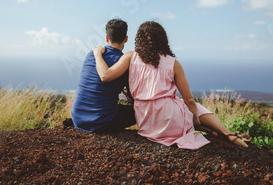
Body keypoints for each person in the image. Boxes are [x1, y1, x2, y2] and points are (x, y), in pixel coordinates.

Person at [93, 21, 251, 149]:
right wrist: (195, 119)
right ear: (162, 39)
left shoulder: (130, 57)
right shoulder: (173, 63)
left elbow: (105, 76)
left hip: (145, 120)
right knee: (191, 106)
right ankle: (227, 133)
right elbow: (189, 99)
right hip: (168, 117)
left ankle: (214, 131)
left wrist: (97, 54)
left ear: (138, 39)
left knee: (183, 108)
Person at [71, 19, 136, 133]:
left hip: (78, 118)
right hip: (101, 122)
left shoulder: (92, 54)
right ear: (126, 39)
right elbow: (134, 96)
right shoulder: (124, 62)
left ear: (107, 38)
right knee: (140, 110)